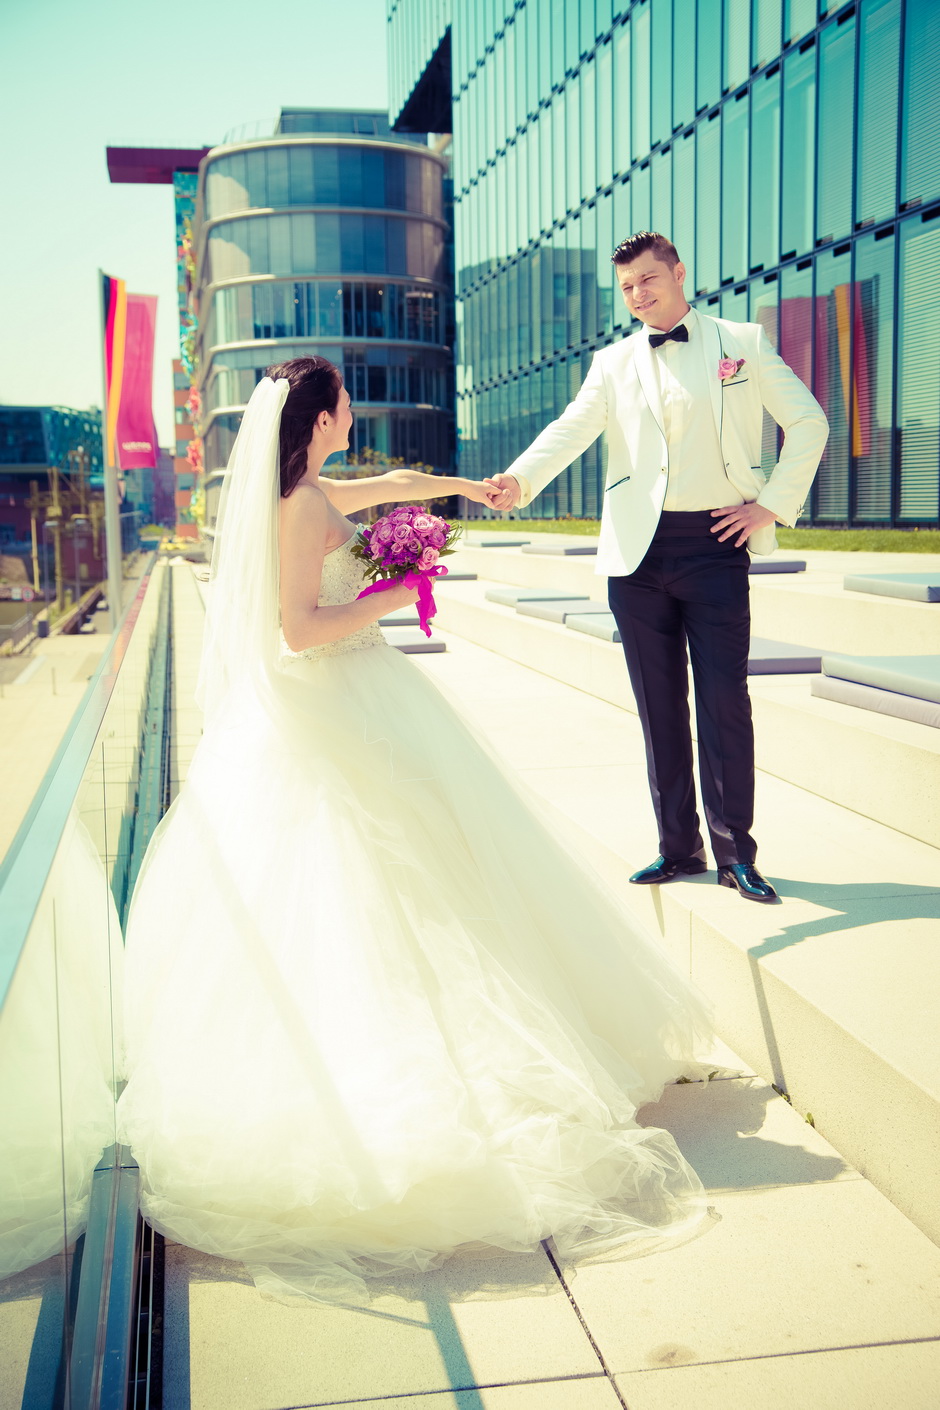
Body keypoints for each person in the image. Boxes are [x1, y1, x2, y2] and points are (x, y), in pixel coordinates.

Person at [117, 355, 719, 1305]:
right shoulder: (304, 510)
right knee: (377, 887)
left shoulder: (309, 487)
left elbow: (390, 485)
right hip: (338, 703)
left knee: (414, 880)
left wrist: (458, 487)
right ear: (318, 421)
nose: (354, 412)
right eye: (345, 403)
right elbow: (300, 631)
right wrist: (405, 586)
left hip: (355, 697)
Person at [488, 232, 828, 904]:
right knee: (658, 707)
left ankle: (737, 856)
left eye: (649, 280)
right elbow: (570, 428)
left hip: (715, 545)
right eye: (627, 288)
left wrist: (770, 506)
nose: (639, 295)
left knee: (726, 703)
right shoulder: (613, 363)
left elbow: (810, 422)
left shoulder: (742, 343)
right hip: (636, 559)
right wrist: (519, 482)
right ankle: (678, 848)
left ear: (678, 272)